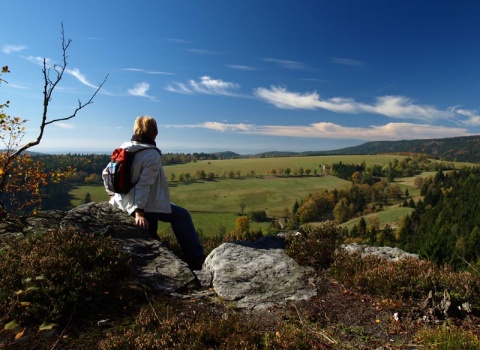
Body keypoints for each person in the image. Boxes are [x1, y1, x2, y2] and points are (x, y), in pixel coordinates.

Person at [103, 115, 205, 270]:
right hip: (141, 205)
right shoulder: (151, 154)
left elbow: (106, 174)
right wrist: (139, 213)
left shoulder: (123, 149)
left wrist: (112, 195)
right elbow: (144, 185)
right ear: (154, 132)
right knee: (182, 215)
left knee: (155, 223)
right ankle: (196, 259)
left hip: (121, 201)